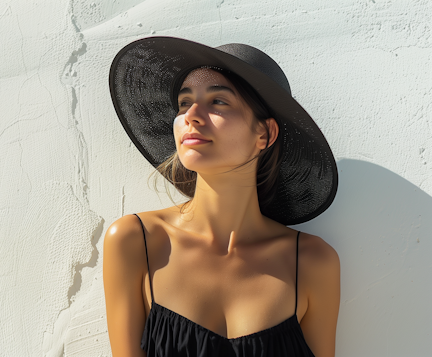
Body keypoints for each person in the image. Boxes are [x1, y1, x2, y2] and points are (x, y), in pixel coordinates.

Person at [103, 37, 340, 357]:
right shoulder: (136, 241)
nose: (192, 115)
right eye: (184, 103)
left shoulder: (311, 262)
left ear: (264, 134)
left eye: (218, 102)